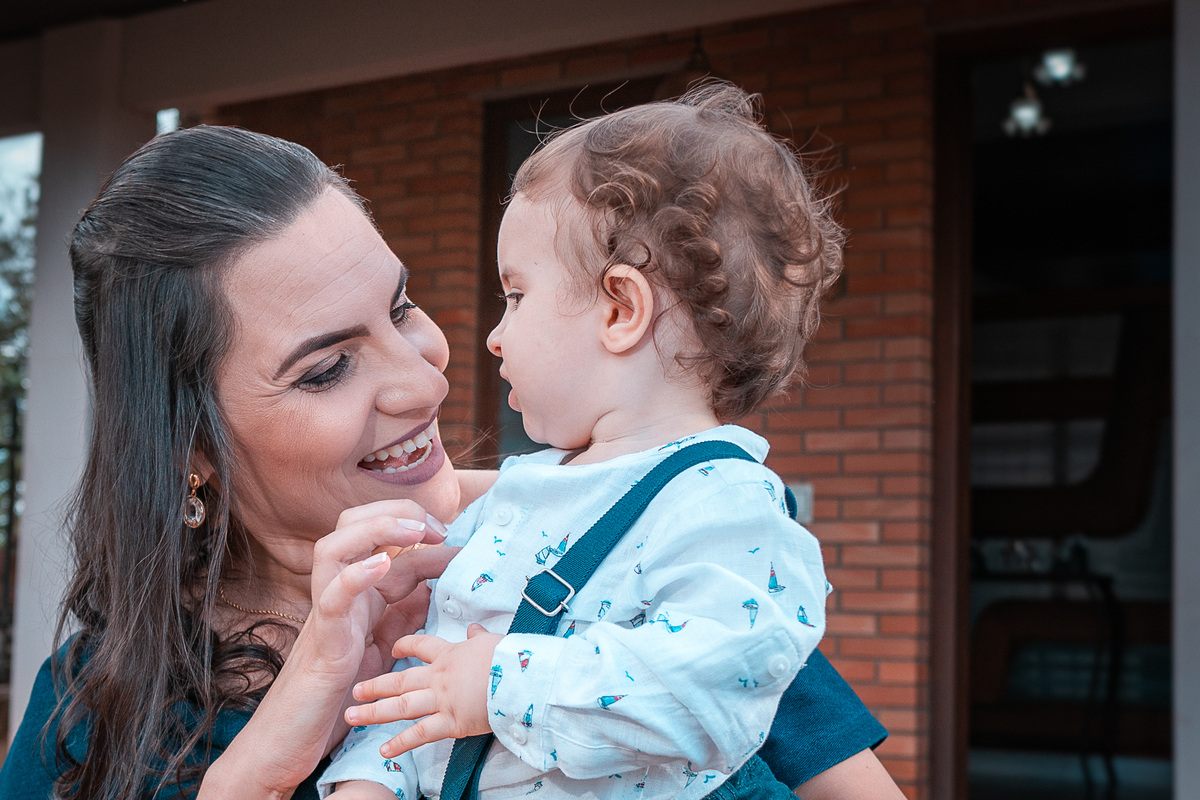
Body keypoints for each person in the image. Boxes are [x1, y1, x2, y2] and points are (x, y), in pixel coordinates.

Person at [0, 124, 901, 800]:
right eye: (327, 370)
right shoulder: (90, 709)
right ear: (191, 448)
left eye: (401, 307)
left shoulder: (645, 548)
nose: (422, 379)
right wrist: (283, 732)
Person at [320, 83, 845, 800]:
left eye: (516, 296)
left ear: (622, 309)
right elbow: (426, 684)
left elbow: (715, 690)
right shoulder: (515, 505)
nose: (494, 337)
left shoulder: (725, 506)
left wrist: (503, 682)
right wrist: (368, 783)